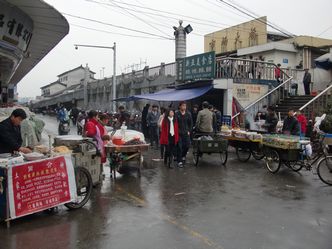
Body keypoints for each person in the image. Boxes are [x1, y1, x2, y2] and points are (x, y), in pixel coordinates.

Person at [176, 101, 193, 167]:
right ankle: (179, 161)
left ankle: (183, 155)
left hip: (186, 133)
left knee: (187, 146)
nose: (184, 107)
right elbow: (175, 124)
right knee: (179, 147)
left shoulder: (188, 114)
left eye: (185, 106)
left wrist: (189, 131)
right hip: (179, 133)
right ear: (180, 106)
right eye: (183, 105)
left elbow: (191, 124)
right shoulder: (177, 114)